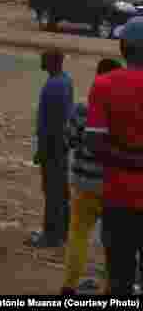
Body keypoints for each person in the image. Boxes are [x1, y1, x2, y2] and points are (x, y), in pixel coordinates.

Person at [87, 18, 143, 296]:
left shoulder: (103, 85)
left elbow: (95, 144)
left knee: (119, 277)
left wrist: (128, 160)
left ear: (123, 47)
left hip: (118, 196)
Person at [62, 58, 123, 295]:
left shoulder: (82, 107)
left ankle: (69, 286)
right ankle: (110, 288)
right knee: (113, 242)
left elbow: (69, 141)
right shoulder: (123, 109)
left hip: (84, 183)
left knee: (78, 236)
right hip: (112, 184)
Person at [28, 48, 73, 248]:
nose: (41, 60)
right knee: (61, 191)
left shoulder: (53, 85)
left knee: (52, 191)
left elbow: (52, 123)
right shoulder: (65, 81)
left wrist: (42, 149)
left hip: (53, 145)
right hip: (61, 144)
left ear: (52, 62)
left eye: (44, 58)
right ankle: (62, 232)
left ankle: (51, 235)